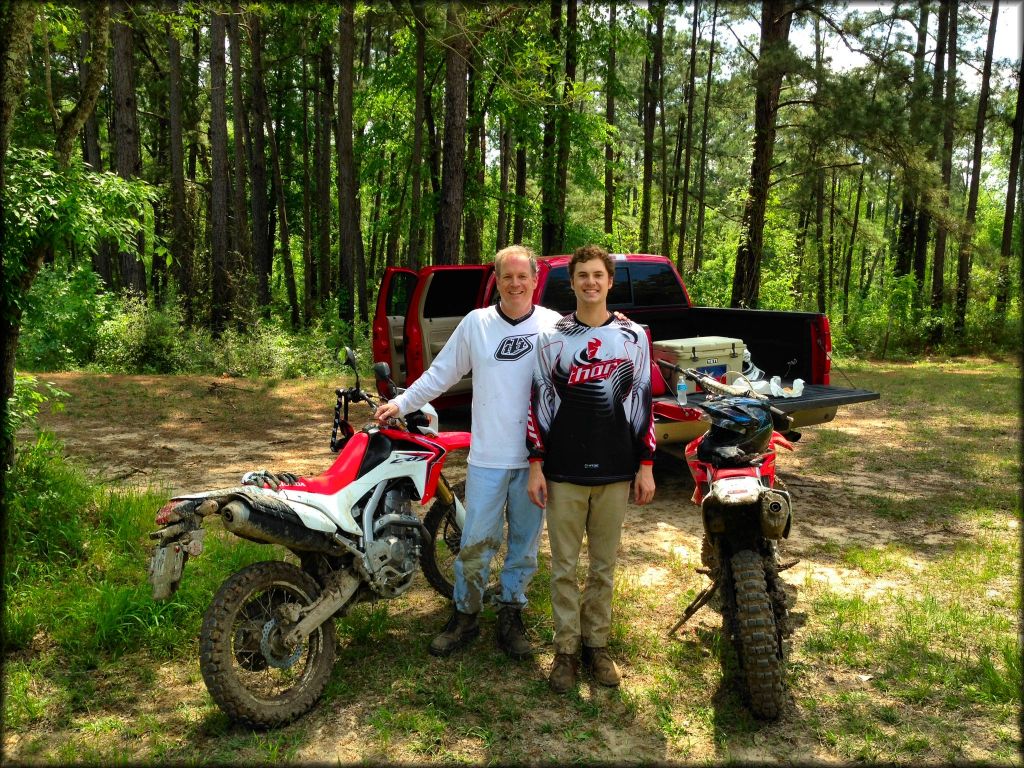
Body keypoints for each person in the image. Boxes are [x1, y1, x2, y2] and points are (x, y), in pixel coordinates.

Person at [374, 245, 562, 660]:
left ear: (535, 280)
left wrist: (619, 323)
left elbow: (584, 363)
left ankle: (512, 614)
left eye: (522, 276)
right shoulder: (477, 324)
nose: (515, 284)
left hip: (535, 462)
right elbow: (441, 374)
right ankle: (466, 614)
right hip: (488, 458)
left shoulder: (554, 326)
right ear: (497, 280)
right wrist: (401, 404)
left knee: (525, 547)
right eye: (507, 277)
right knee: (476, 542)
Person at [526, 244, 656, 693]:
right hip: (563, 470)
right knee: (563, 566)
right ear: (573, 282)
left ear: (610, 281)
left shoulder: (635, 336)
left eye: (598, 275)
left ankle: (596, 646)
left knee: (603, 566)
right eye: (582, 275)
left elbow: (643, 402)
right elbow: (540, 402)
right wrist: (536, 463)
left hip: (617, 469)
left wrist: (646, 464)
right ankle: (565, 651)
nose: (590, 283)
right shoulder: (553, 339)